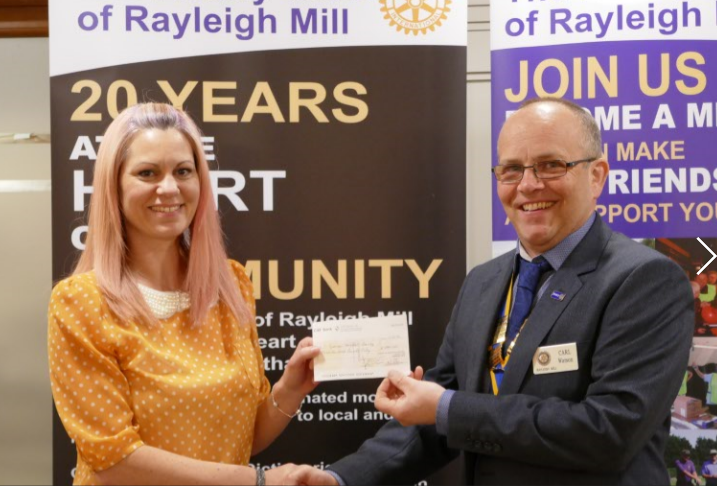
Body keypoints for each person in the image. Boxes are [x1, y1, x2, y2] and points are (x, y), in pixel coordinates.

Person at [294, 97, 694, 485]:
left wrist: (447, 408)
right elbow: (433, 416)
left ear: (597, 175)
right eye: (511, 170)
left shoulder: (645, 280)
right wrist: (342, 477)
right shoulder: (482, 282)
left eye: (551, 165)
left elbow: (609, 431)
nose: (528, 185)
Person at [48, 103, 322, 485]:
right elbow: (113, 461)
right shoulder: (81, 303)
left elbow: (246, 437)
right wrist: (259, 482)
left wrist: (291, 389)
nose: (169, 188)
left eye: (183, 171)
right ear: (114, 185)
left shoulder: (231, 284)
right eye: (147, 173)